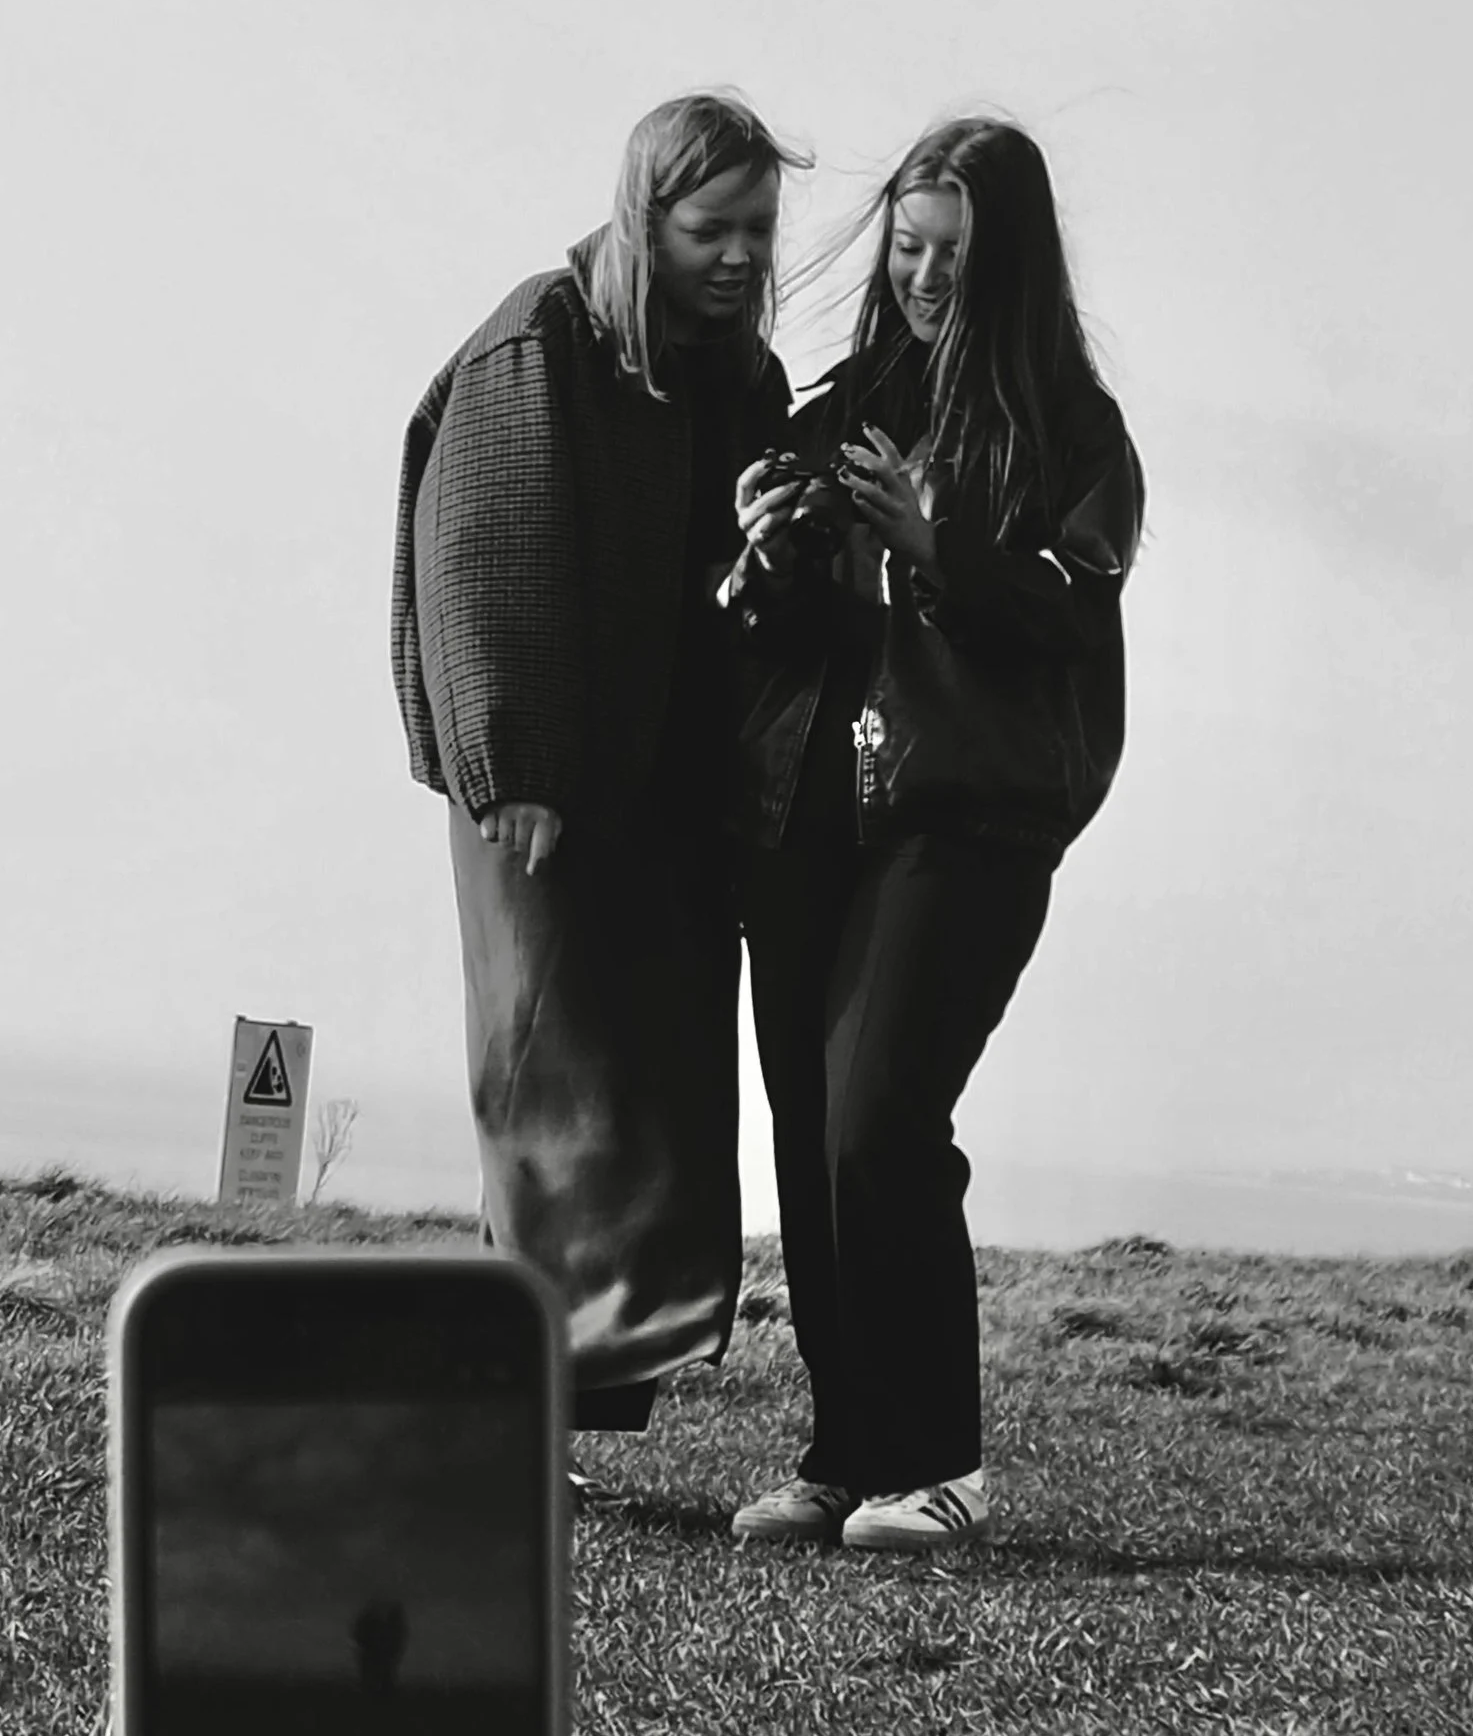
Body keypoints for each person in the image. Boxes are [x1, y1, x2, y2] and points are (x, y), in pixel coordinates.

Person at [726, 116, 1144, 1553]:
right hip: (807, 822)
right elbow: (779, 629)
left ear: (1008, 261)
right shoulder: (838, 405)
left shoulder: (1073, 435)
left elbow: (1068, 617)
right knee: (810, 1137)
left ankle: (942, 1468)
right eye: (906, 247)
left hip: (962, 825)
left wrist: (938, 549)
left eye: (953, 255)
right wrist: (765, 554)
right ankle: (848, 1457)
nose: (921, 277)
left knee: (881, 1119)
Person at [391, 92, 802, 1433]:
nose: (740, 255)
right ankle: (528, 1388)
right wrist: (516, 767)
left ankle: (596, 1383)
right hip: (542, 798)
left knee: (652, 1090)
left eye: (757, 228)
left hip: (668, 794)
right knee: (548, 1084)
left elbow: (725, 583)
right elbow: (487, 556)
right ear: (647, 217)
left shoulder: (737, 375)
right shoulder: (541, 342)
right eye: (710, 229)